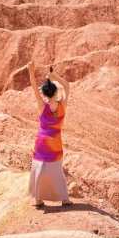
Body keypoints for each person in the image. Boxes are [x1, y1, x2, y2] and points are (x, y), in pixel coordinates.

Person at [27, 61, 73, 209]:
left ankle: (39, 199)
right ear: (55, 92)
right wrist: (54, 76)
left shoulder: (42, 106)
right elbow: (67, 86)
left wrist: (31, 71)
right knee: (57, 169)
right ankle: (64, 199)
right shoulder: (62, 105)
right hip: (56, 141)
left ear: (45, 94)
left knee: (39, 167)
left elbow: (34, 87)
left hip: (41, 142)